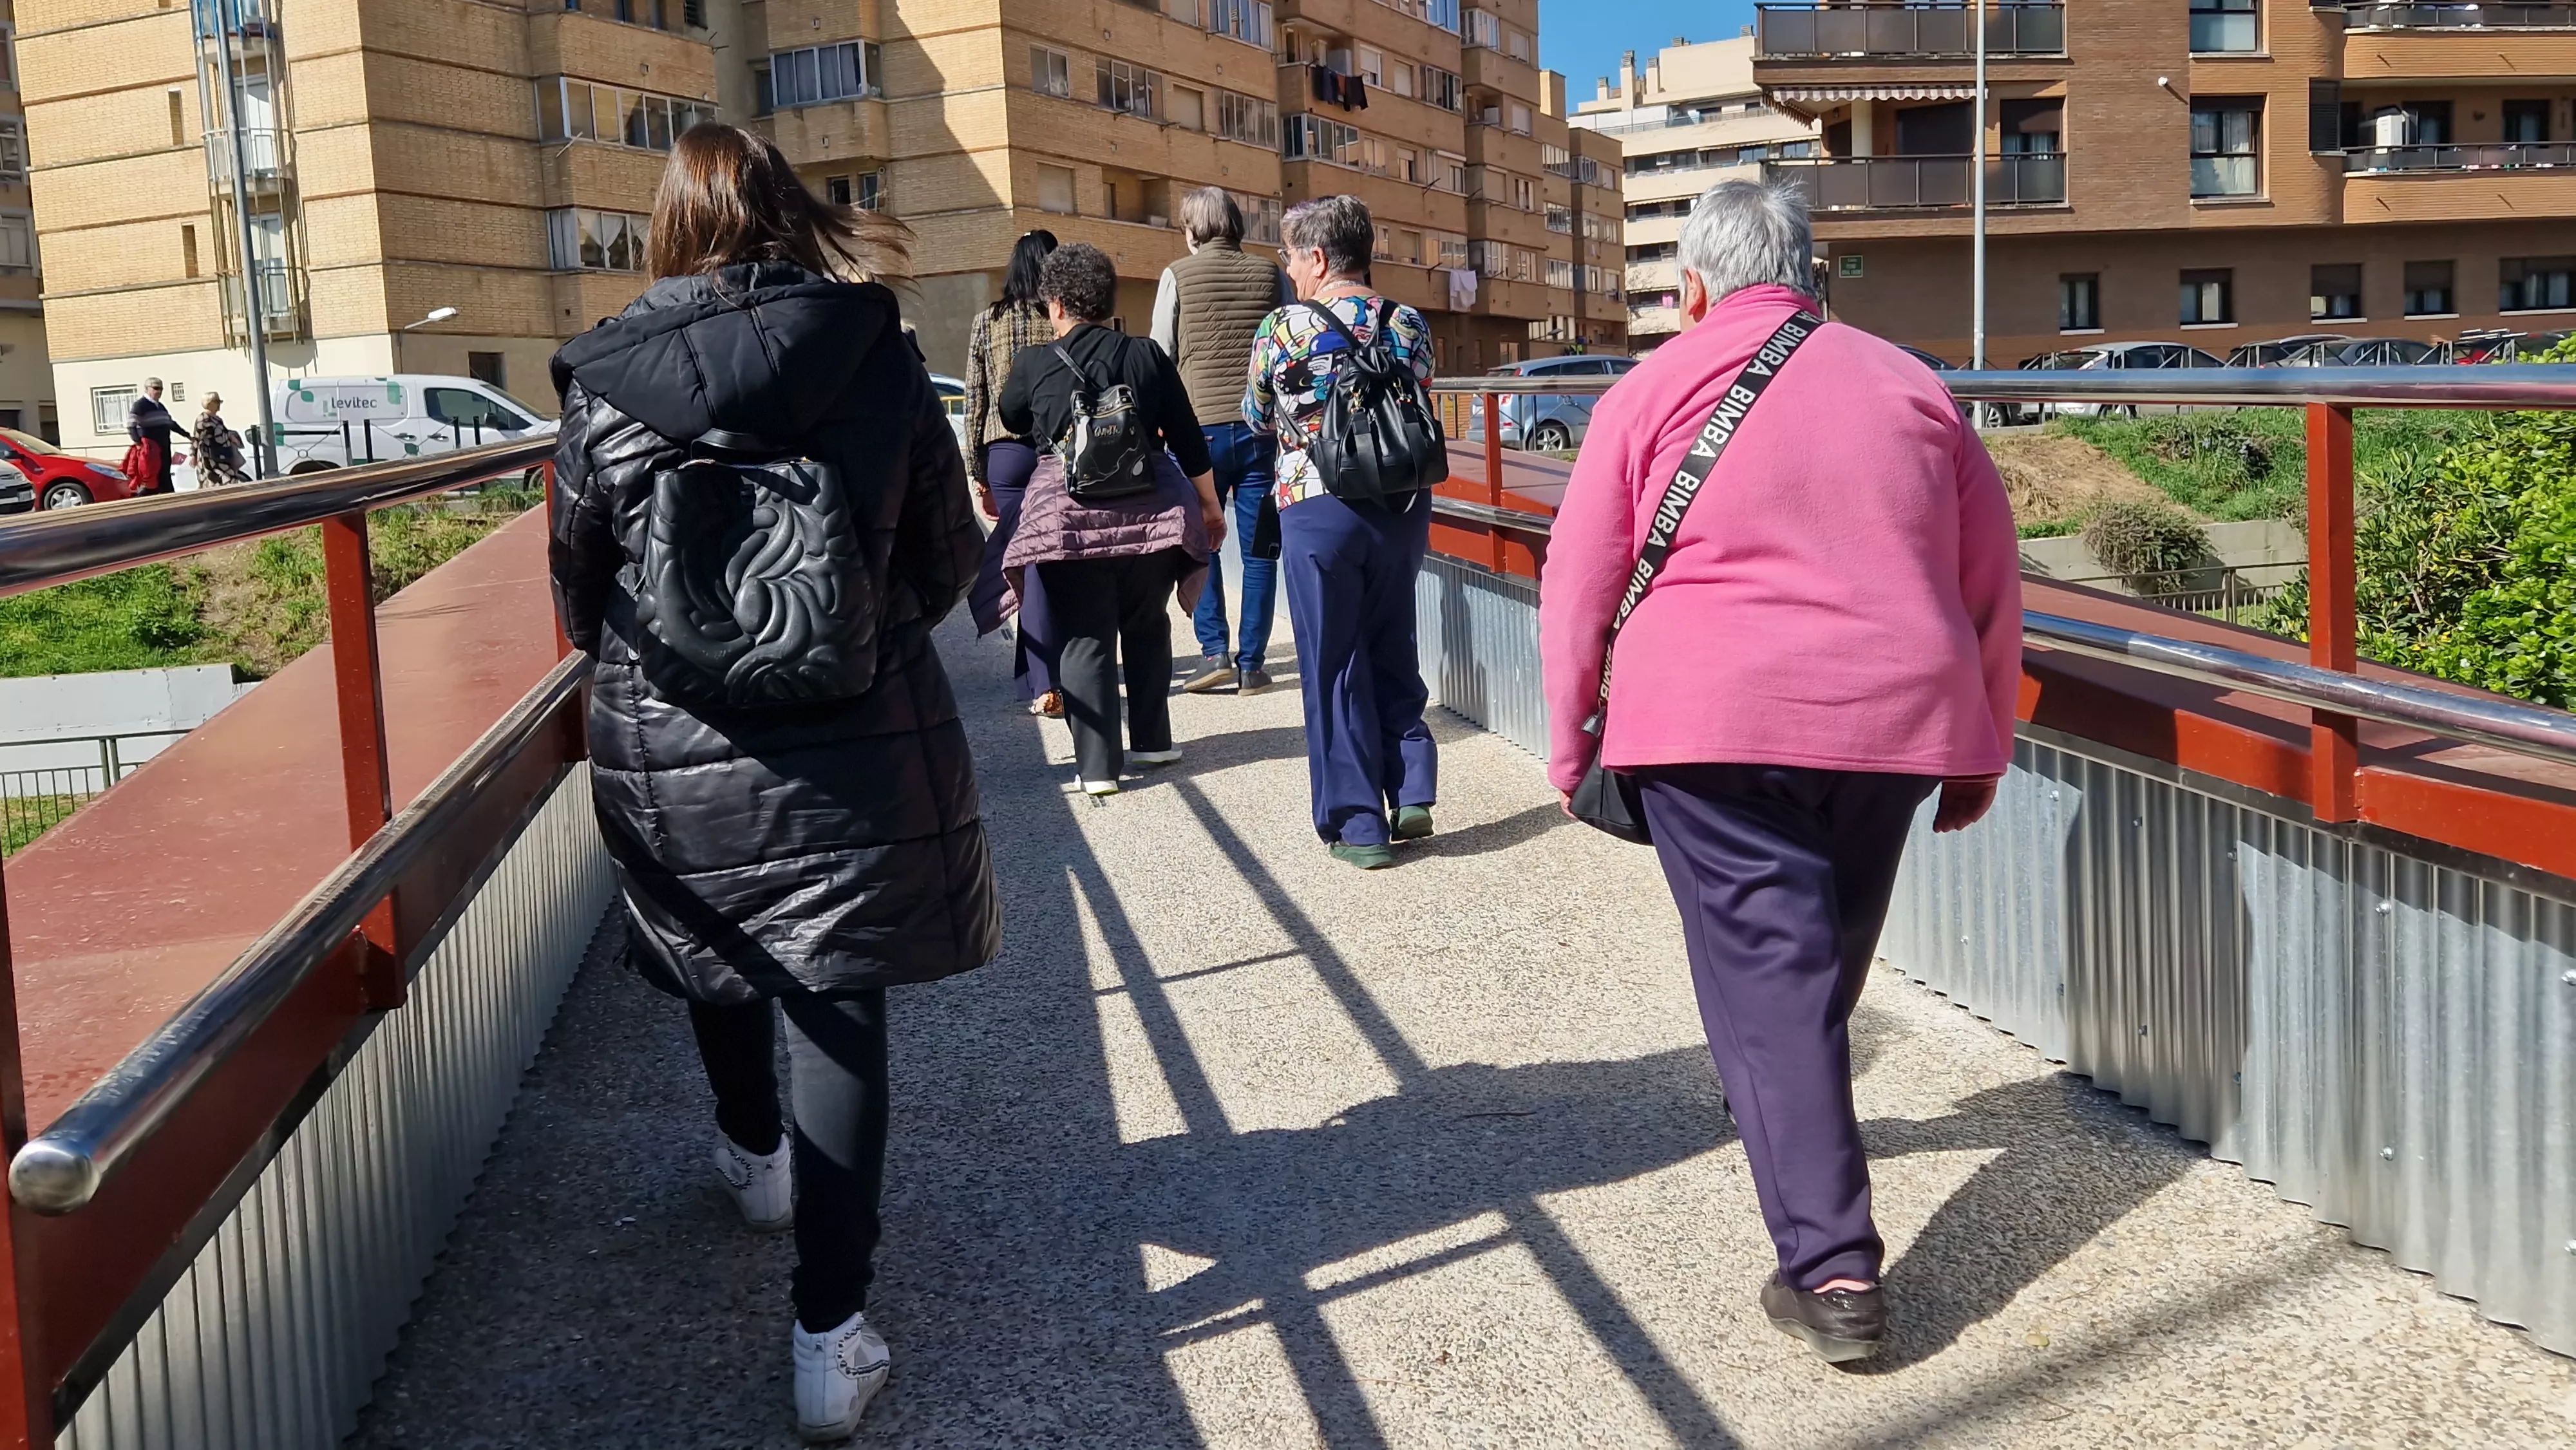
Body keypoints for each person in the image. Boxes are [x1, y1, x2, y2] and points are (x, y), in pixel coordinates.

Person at [547, 123, 999, 1444]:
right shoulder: (875, 353)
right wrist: (851, 637)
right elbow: (942, 553)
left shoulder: (608, 376)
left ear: (669, 229)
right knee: (839, 1001)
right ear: (793, 214)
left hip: (674, 733)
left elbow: (580, 584)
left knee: (715, 941)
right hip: (855, 736)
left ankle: (752, 1156)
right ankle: (829, 1335)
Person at [1535, 179, 2022, 1364]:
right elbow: (1991, 579)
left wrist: (1571, 740)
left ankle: (1834, 1267)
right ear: (1809, 277)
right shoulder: (1913, 384)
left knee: (1773, 981)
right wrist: (1981, 746)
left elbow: (1581, 581)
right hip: (1894, 718)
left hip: (1711, 723)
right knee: (1819, 966)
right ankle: (1791, 1120)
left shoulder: (1649, 388)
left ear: (1691, 288)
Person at [1243, 195, 1439, 871]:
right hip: (1401, 504)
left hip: (1317, 506)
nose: (1291, 271)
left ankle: (1359, 824)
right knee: (1392, 639)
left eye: (1292, 257)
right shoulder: (1407, 321)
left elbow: (1256, 413)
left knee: (1332, 663)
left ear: (1319, 257)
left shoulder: (1283, 326)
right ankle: (1411, 786)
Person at [999, 242, 1223, 796]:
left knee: (1083, 637)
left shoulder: (1034, 363)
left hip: (1069, 520)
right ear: (1108, 300)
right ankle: (1152, 741)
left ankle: (1098, 767)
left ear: (1054, 305)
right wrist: (1210, 505)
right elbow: (1189, 436)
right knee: (1147, 622)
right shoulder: (1146, 356)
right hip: (1150, 514)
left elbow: (1010, 414)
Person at [1150, 187, 1292, 696]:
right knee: (1260, 552)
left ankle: (1214, 653)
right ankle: (1253, 664)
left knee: (1201, 543)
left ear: (1192, 229)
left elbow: (1159, 357)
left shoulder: (1176, 276)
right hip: (1261, 431)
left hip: (1198, 435)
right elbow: (1289, 343)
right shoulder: (1271, 275)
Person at [965, 229, 1065, 717]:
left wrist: (978, 474)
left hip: (1005, 454)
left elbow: (975, 398)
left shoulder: (989, 320)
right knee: (1054, 561)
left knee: (1022, 562)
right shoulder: (1063, 318)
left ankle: (1034, 673)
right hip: (1058, 452)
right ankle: (1051, 675)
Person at [126, 378, 176, 494]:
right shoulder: (140, 405)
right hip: (151, 449)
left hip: (164, 446)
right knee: (151, 479)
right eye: (156, 388)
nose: (159, 391)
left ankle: (170, 503)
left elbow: (170, 424)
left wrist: (187, 435)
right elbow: (130, 425)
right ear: (147, 389)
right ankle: (143, 503)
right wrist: (138, 444)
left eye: (161, 389)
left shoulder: (161, 407)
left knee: (164, 476)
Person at [191, 393, 247, 486]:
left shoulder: (218, 419)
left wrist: (231, 437)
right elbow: (197, 438)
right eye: (217, 402)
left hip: (223, 456)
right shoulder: (203, 419)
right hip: (211, 459)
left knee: (228, 481)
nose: (219, 405)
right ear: (209, 404)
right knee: (219, 481)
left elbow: (223, 432)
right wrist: (193, 455)